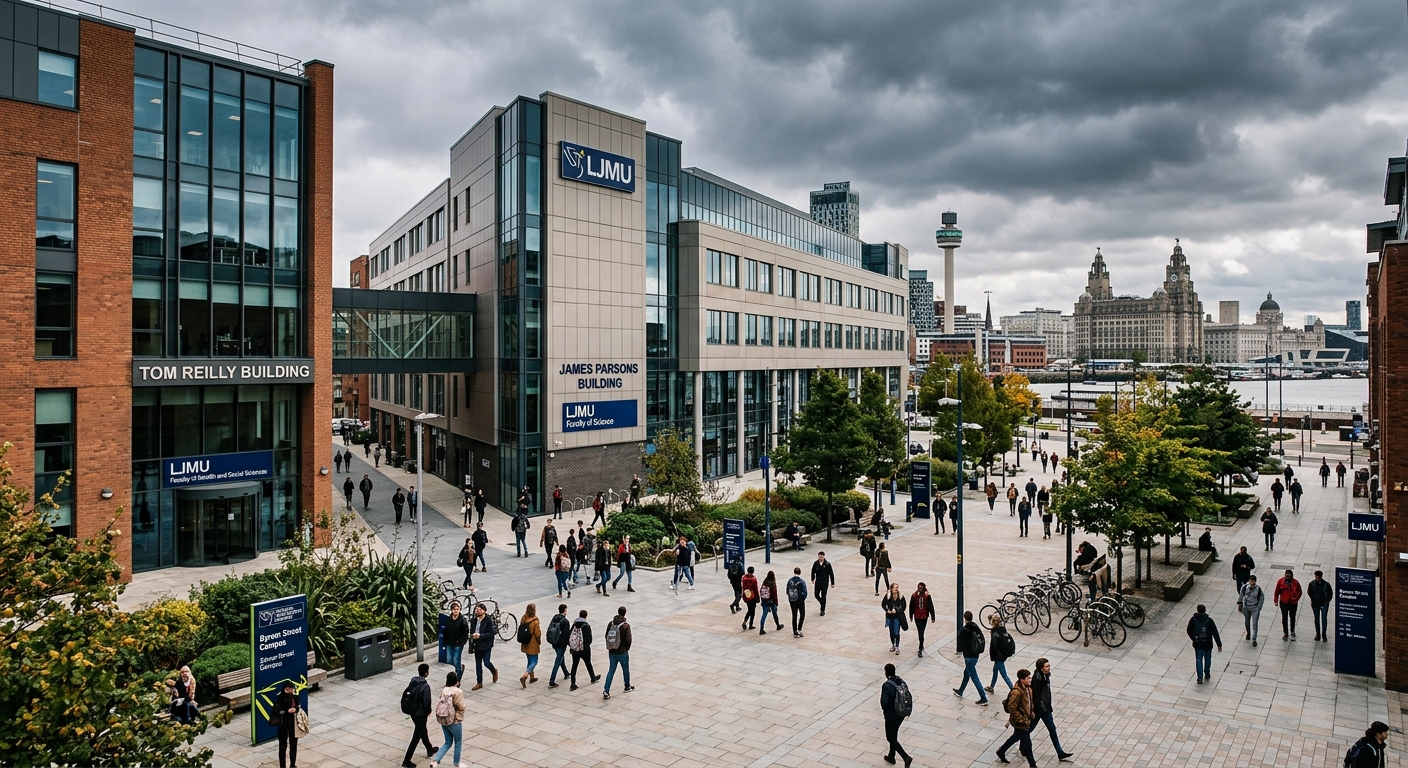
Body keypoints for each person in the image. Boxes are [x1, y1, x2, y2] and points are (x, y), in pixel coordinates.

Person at [1030, 658, 1074, 761]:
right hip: (1041, 710)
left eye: (1049, 666)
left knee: (1051, 729)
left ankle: (1060, 752)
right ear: (1041, 668)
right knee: (1028, 730)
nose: (1049, 668)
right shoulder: (1038, 678)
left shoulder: (1044, 676)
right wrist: (1041, 708)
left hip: (1045, 709)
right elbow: (1036, 696)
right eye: (1047, 666)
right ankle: (1010, 747)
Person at [996, 669, 1037, 768]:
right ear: (1022, 679)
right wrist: (1021, 719)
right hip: (1020, 722)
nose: (1030, 679)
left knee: (1015, 737)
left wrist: (1031, 712)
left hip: (1026, 719)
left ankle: (1001, 751)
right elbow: (1012, 708)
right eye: (1028, 678)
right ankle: (1033, 765)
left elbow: (1029, 703)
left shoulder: (1028, 689)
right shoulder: (1016, 692)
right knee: (1027, 744)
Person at [400, 663, 435, 768]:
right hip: (421, 713)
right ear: (426, 673)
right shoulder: (425, 686)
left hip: (413, 712)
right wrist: (428, 711)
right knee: (417, 735)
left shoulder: (413, 682)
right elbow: (427, 702)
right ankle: (407, 760)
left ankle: (429, 748)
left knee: (422, 730)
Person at [879, 663, 914, 767]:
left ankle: (906, 757)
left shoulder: (887, 685)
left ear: (886, 673)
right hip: (901, 713)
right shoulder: (901, 681)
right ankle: (891, 755)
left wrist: (885, 710)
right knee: (894, 734)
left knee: (890, 737)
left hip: (891, 715)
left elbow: (884, 702)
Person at [428, 671, 464, 768]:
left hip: (444, 719)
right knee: (458, 741)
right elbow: (461, 706)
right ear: (456, 680)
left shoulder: (445, 689)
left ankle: (435, 761)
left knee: (448, 742)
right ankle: (457, 763)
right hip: (455, 721)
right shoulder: (458, 691)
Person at [952, 611, 989, 705]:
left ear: (965, 618)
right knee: (966, 673)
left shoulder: (964, 630)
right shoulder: (976, 627)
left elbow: (960, 644)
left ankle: (983, 698)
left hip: (968, 656)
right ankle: (960, 691)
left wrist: (960, 650)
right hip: (976, 655)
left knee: (974, 676)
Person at [1186, 604, 1223, 684]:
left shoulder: (1193, 620)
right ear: (1205, 610)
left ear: (1197, 610)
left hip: (1198, 643)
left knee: (1199, 660)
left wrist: (1194, 638)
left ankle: (1199, 677)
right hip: (1208, 643)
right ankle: (1207, 673)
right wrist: (1219, 644)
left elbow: (1189, 630)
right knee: (1208, 659)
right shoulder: (1209, 621)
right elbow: (1215, 632)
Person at [603, 605, 633, 699]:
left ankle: (606, 690)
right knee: (625, 669)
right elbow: (628, 639)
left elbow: (606, 635)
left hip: (612, 651)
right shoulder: (625, 626)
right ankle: (627, 686)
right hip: (622, 651)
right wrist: (626, 648)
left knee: (611, 671)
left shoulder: (611, 623)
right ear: (624, 613)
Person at [567, 609, 600, 690]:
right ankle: (592, 677)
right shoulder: (586, 625)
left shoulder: (574, 624)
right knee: (588, 663)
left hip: (575, 649)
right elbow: (589, 639)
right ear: (586, 616)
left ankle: (573, 683)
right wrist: (585, 645)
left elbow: (570, 635)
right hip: (584, 649)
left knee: (574, 665)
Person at [468, 603, 497, 691]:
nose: (477, 611)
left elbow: (492, 633)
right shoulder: (474, 620)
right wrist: (472, 636)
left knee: (486, 662)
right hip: (477, 645)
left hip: (486, 644)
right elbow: (471, 630)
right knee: (478, 664)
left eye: (480, 609)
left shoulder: (488, 620)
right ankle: (479, 682)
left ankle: (494, 671)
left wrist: (480, 635)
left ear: (484, 611)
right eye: (476, 609)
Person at [271, 681, 300, 768]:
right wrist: (286, 711)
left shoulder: (295, 697)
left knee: (293, 745)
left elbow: (298, 707)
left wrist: (295, 709)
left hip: (293, 724)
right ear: (284, 689)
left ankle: (293, 765)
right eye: (287, 690)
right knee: (283, 747)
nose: (289, 691)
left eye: (291, 689)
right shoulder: (279, 698)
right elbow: (276, 711)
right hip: (283, 724)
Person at [440, 601, 469, 682]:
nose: (456, 611)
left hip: (458, 644)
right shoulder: (449, 619)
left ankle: (458, 680)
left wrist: (461, 642)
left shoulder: (462, 620)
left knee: (456, 660)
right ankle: (459, 668)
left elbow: (466, 632)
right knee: (449, 660)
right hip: (449, 642)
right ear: (451, 610)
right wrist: (444, 642)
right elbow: (445, 631)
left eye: (457, 609)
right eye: (454, 609)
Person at [986, 615, 1015, 694]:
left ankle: (1013, 689)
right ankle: (991, 686)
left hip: (999, 656)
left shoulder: (995, 633)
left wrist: (993, 654)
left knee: (1003, 673)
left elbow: (994, 646)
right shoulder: (1003, 631)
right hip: (1003, 654)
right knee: (995, 671)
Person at [546, 604, 571, 688]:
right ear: (564, 610)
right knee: (558, 660)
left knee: (560, 657)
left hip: (554, 641)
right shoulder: (565, 621)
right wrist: (569, 644)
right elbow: (566, 635)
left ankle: (566, 673)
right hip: (561, 644)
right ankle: (552, 680)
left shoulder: (555, 617)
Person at [1274, 568, 1302, 641]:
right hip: (1284, 602)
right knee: (1284, 617)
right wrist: (1276, 600)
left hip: (1293, 603)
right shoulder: (1280, 581)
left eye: (1289, 575)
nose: (1287, 576)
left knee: (1292, 617)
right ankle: (1285, 633)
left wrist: (1296, 598)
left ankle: (1292, 631)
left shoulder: (1295, 582)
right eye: (1286, 575)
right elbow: (1277, 591)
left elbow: (1300, 591)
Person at [909, 582, 935, 657]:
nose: (920, 589)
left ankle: (921, 643)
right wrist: (911, 615)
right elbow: (911, 606)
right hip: (917, 616)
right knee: (920, 631)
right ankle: (920, 647)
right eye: (919, 588)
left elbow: (930, 606)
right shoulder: (914, 595)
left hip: (924, 616)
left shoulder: (927, 596)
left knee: (922, 631)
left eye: (921, 588)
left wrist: (933, 616)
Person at [518, 603, 541, 687]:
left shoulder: (523, 618)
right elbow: (537, 633)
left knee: (529, 660)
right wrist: (539, 641)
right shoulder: (535, 620)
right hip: (533, 643)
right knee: (534, 661)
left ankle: (532, 677)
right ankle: (525, 676)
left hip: (525, 642)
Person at [1237, 575, 1264, 646]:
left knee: (1255, 623)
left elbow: (1261, 598)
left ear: (1255, 581)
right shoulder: (1245, 587)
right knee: (1247, 620)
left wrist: (1259, 607)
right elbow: (1241, 595)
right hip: (1246, 607)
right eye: (1250, 581)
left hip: (1254, 607)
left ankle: (1254, 638)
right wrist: (1240, 604)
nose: (1251, 582)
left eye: (1253, 581)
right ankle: (1248, 632)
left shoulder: (1258, 589)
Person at [1308, 570, 1334, 642]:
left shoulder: (1326, 584)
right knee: (1316, 619)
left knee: (1324, 619)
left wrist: (1327, 601)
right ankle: (1318, 634)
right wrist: (1312, 599)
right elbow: (1309, 592)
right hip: (1315, 604)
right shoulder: (1312, 584)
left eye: (1319, 577)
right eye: (1316, 576)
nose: (1317, 578)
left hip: (1324, 604)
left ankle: (1324, 634)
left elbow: (1330, 594)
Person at [811, 551, 835, 617]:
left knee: (824, 596)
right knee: (816, 594)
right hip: (818, 581)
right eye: (819, 556)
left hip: (824, 582)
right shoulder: (816, 563)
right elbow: (813, 571)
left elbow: (831, 573)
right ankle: (822, 602)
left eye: (821, 557)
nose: (820, 558)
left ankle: (822, 610)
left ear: (824, 556)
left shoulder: (827, 564)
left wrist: (832, 582)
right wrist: (812, 579)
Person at [786, 567, 808, 638]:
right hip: (800, 600)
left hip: (792, 600)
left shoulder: (790, 581)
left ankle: (794, 631)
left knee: (794, 615)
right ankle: (799, 629)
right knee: (802, 614)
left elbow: (787, 591)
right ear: (800, 573)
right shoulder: (802, 582)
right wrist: (802, 599)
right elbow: (805, 592)